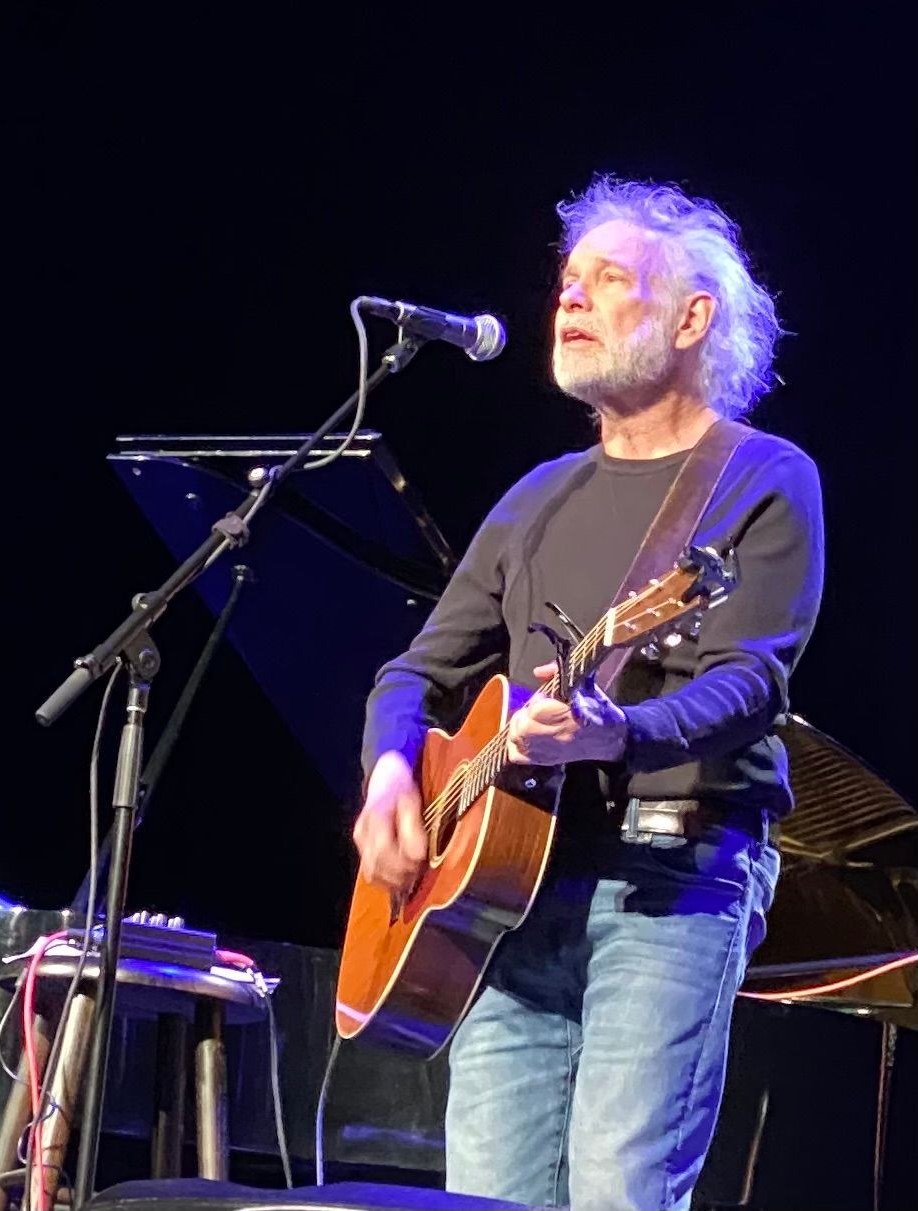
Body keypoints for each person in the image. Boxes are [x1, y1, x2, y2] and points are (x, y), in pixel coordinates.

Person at [352, 176, 824, 1210]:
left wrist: (616, 732)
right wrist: (390, 770)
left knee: (619, 1190)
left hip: (672, 874)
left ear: (693, 318)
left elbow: (749, 681)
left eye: (609, 279)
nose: (570, 298)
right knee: (488, 1200)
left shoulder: (762, 477)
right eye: (568, 280)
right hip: (500, 900)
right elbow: (413, 672)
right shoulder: (533, 500)